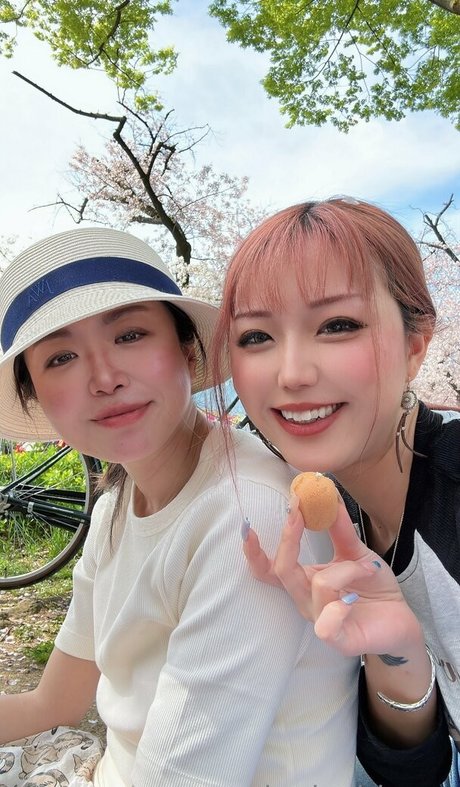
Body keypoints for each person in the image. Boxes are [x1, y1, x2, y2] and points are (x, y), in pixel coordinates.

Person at [0, 227, 360, 786]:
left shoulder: (248, 515)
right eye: (62, 357)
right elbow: (56, 702)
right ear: (38, 400)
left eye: (130, 334)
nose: (104, 378)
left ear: (188, 351)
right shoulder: (115, 508)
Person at [211, 198, 458, 787]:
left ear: (416, 344)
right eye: (256, 336)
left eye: (338, 325)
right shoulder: (330, 516)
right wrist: (397, 656)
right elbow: (415, 771)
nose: (292, 373)